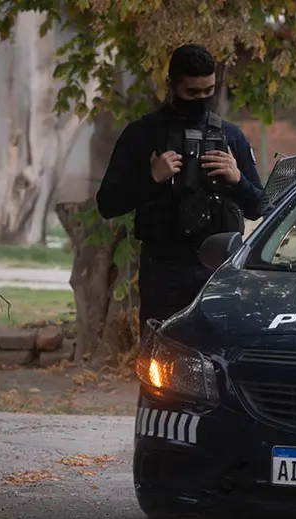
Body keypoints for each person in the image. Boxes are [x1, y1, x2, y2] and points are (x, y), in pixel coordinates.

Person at [96, 44, 264, 336]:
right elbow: (108, 204)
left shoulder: (231, 137)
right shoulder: (142, 135)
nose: (201, 99)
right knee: (158, 360)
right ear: (172, 86)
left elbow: (260, 207)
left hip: (218, 270)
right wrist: (152, 178)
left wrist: (238, 180)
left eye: (208, 91)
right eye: (191, 93)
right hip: (163, 269)